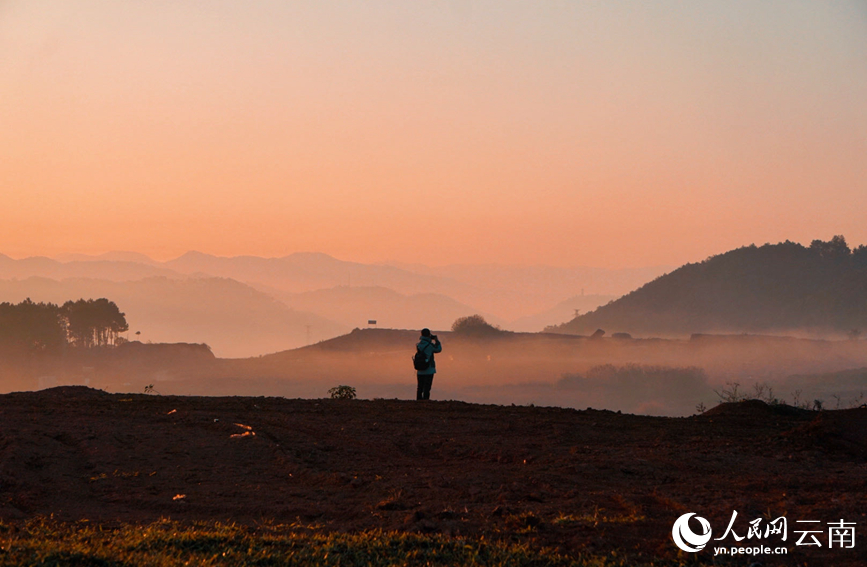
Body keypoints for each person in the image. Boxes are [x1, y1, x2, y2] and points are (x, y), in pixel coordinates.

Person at [416, 328, 442, 400]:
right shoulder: (429, 345)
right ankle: (425, 402)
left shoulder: (419, 345)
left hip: (420, 369)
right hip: (429, 369)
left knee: (420, 387)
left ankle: (418, 402)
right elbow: (438, 349)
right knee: (427, 388)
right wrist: (436, 340)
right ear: (429, 335)